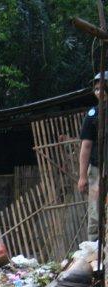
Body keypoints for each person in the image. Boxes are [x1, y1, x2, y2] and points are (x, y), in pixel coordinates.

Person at [78, 71, 108, 242]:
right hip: (97, 169)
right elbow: (86, 146)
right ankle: (94, 248)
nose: (99, 92)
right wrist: (82, 177)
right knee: (95, 211)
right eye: (96, 89)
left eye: (103, 88)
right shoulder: (93, 115)